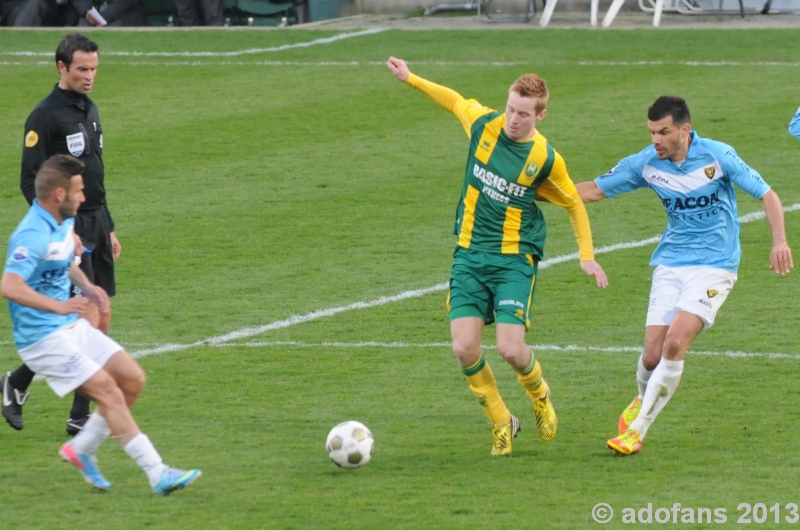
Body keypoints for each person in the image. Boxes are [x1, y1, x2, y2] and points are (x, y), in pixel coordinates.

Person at [386, 57, 608, 456]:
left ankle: (539, 393)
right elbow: (454, 100)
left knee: (510, 348)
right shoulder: (484, 124)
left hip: (513, 260)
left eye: (523, 114)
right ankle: (502, 422)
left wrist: (586, 255)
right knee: (464, 348)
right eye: (510, 109)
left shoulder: (545, 158)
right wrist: (411, 78)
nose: (513, 120)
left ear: (540, 114)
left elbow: (574, 203)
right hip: (470, 255)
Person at [576, 95, 793, 456]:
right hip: (671, 264)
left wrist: (779, 242)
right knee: (650, 357)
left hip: (716, 265)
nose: (656, 140)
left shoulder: (717, 155)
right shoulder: (646, 164)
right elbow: (593, 191)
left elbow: (768, 195)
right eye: (651, 133)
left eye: (663, 132)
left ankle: (637, 430)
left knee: (675, 344)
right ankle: (644, 396)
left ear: (684, 130)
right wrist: (531, 191)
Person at [2, 153, 201, 494]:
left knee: (132, 380)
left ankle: (80, 450)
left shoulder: (63, 221)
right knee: (108, 390)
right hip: (42, 340)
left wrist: (88, 288)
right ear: (59, 195)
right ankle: (158, 473)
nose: (84, 196)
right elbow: (9, 285)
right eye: (78, 190)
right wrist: (60, 304)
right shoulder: (31, 235)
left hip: (68, 327)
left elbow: (62, 262)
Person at [3, 33, 119, 436]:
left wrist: (110, 226)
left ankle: (19, 384)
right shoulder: (44, 116)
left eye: (94, 69)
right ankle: (78, 415)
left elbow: (94, 171)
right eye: (82, 69)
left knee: (95, 317)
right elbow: (29, 180)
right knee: (85, 318)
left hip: (96, 222)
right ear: (62, 68)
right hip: (70, 228)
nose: (89, 77)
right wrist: (61, 229)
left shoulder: (89, 108)